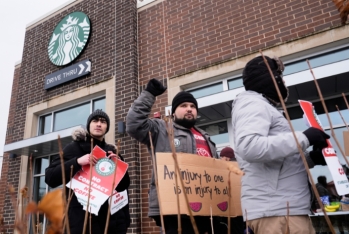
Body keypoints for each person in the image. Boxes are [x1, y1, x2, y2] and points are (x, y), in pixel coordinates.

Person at [231, 55, 330, 234]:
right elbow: (250, 147)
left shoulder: (262, 106)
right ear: (270, 78)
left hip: (283, 209)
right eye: (280, 76)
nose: (284, 81)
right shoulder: (252, 103)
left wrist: (311, 159)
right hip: (277, 213)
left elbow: (280, 164)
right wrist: (304, 137)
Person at [126, 79, 220, 234]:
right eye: (183, 106)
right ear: (174, 111)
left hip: (206, 209)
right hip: (175, 208)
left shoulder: (206, 136)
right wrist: (149, 94)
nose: (189, 109)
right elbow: (134, 125)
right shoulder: (161, 129)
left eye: (192, 106)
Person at [45, 109, 130, 234]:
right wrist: (77, 161)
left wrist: (119, 167)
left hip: (110, 223)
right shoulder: (74, 148)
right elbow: (50, 177)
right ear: (89, 125)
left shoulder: (112, 152)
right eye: (95, 121)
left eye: (103, 122)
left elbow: (123, 187)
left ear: (107, 127)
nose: (99, 124)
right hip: (81, 222)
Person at [216, 147, 245, 234]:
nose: (221, 160)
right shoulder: (238, 168)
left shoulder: (233, 170)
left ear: (227, 158)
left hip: (234, 211)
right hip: (238, 210)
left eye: (222, 158)